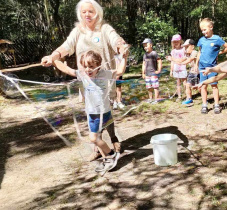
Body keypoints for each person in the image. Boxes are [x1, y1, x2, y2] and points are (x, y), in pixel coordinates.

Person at [41, 0, 128, 153]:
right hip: (86, 79)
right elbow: (66, 47)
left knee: (105, 110)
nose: (87, 14)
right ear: (79, 14)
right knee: (93, 111)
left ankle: (113, 138)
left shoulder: (105, 29)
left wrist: (121, 47)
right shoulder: (77, 32)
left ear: (97, 13)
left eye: (90, 11)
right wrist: (52, 56)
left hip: (104, 79)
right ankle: (99, 148)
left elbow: (116, 40)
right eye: (84, 12)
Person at [53, 50, 127, 172]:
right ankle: (107, 160)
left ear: (98, 64)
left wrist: (124, 58)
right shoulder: (83, 74)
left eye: (91, 66)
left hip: (103, 113)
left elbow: (119, 71)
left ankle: (111, 155)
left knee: (94, 138)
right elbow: (67, 70)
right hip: (92, 114)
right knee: (97, 139)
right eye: (85, 66)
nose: (88, 69)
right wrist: (53, 60)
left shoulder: (105, 74)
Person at [195, 18, 227, 114]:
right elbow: (200, 52)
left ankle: (217, 105)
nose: (203, 32)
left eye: (205, 29)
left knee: (214, 85)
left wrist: (220, 53)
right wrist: (196, 64)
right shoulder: (201, 40)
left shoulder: (217, 39)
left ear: (211, 27)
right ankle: (204, 105)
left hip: (212, 67)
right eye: (202, 30)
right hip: (202, 67)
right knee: (203, 86)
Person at [178, 39, 199, 105]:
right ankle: (189, 98)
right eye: (185, 47)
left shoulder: (195, 52)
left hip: (198, 72)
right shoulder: (188, 54)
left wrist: (182, 63)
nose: (185, 48)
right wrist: (173, 59)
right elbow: (182, 59)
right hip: (191, 72)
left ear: (192, 47)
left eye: (187, 46)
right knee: (187, 85)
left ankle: (205, 98)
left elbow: (190, 60)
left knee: (199, 87)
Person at [142, 38, 162, 103]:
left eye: (146, 45)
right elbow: (144, 64)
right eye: (144, 46)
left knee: (155, 87)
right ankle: (150, 99)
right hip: (147, 74)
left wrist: (158, 70)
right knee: (149, 87)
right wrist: (143, 73)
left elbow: (159, 61)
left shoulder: (154, 53)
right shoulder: (145, 55)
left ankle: (156, 99)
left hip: (153, 73)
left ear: (151, 45)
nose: (145, 47)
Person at [170, 34, 187, 102]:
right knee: (178, 83)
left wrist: (180, 61)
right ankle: (179, 96)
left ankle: (187, 95)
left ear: (180, 41)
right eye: (174, 42)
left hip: (182, 68)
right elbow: (172, 61)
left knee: (185, 82)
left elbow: (185, 58)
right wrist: (171, 70)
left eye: (177, 41)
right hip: (176, 69)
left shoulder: (183, 49)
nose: (176, 43)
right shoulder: (173, 51)